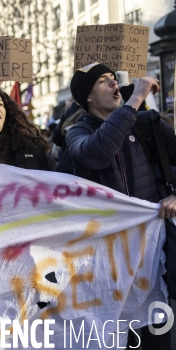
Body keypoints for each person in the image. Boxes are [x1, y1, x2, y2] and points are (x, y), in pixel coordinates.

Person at [65, 62, 175, 347]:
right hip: (103, 262)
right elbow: (96, 154)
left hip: (149, 257)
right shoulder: (77, 134)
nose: (114, 83)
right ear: (87, 97)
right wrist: (135, 99)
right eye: (103, 80)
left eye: (114, 78)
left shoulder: (146, 125)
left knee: (155, 335)